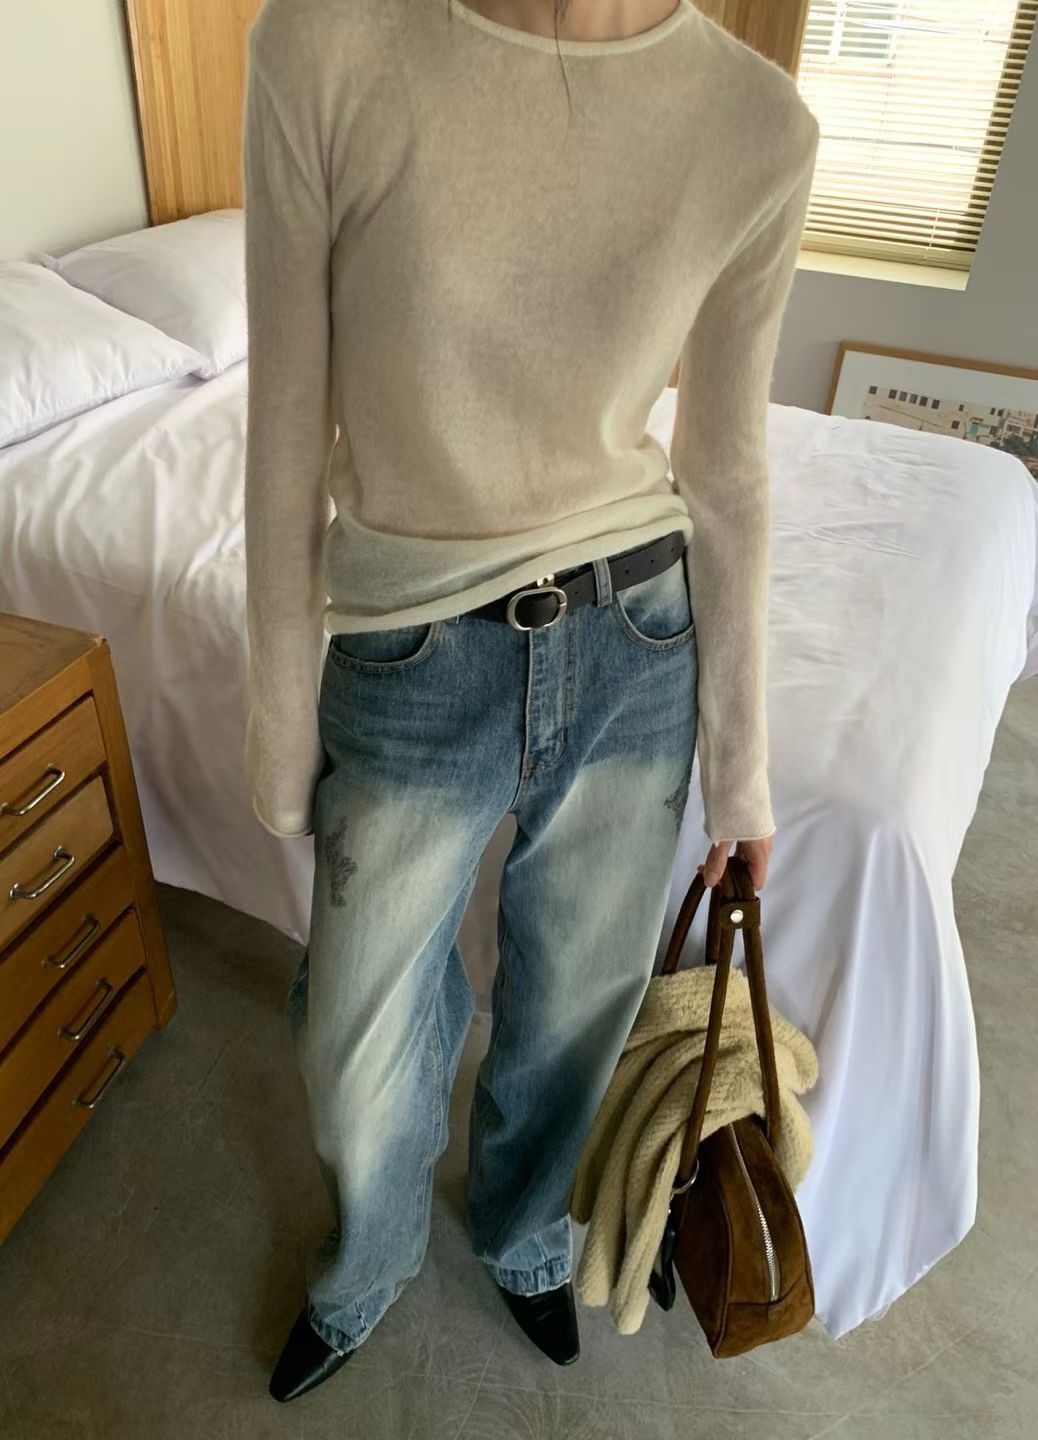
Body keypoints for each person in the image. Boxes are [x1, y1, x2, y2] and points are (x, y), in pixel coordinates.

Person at [242, 0, 819, 1404]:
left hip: (637, 637)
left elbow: (726, 465)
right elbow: (283, 429)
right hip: (409, 648)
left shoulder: (756, 126)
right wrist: (277, 733)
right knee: (356, 1040)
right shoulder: (326, 49)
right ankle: (368, 1261)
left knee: (574, 1006)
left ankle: (524, 1234)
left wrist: (741, 775)